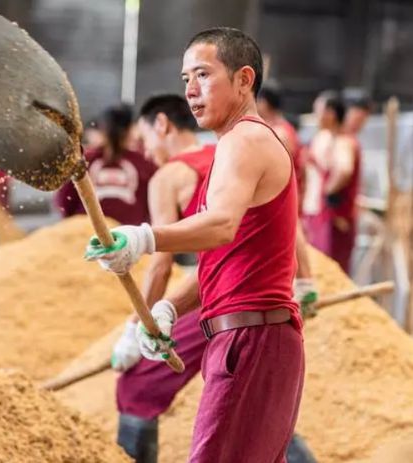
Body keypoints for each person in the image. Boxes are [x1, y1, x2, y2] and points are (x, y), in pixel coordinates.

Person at [86, 27, 304, 462]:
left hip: (253, 338)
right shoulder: (232, 145)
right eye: (185, 78)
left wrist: (144, 237)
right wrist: (170, 308)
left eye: (202, 75)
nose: (190, 90)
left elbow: (221, 226)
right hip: (245, 335)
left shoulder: (245, 140)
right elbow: (230, 258)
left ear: (244, 79)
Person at [111, 94, 214, 462]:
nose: (146, 150)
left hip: (219, 295)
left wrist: (138, 328)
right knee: (247, 402)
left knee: (137, 386)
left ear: (162, 125)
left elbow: (161, 264)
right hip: (256, 288)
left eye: (144, 140)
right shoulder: (227, 158)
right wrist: (305, 284)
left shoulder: (169, 176)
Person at [257, 82, 318, 316]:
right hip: (284, 193)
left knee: (292, 229)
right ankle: (302, 284)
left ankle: (303, 285)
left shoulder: (280, 132)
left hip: (283, 193)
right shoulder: (277, 129)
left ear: (263, 103)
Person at [55, 104, 157, 225]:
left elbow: (63, 202)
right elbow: (154, 205)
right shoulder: (145, 163)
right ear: (130, 129)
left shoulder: (82, 160)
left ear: (102, 128)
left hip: (87, 236)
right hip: (128, 238)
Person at [302, 91, 360, 273]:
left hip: (334, 218)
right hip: (320, 215)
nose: (315, 116)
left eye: (318, 111)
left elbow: (344, 170)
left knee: (331, 270)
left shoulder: (343, 142)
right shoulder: (326, 138)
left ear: (331, 114)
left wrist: (326, 192)